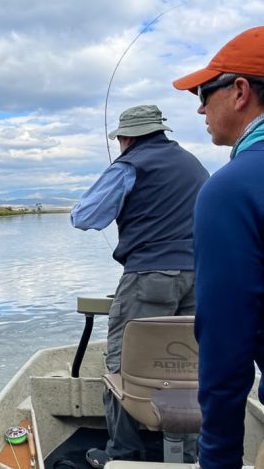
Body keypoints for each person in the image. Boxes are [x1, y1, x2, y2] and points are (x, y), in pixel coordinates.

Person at [71, 104, 209, 467]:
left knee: (122, 367)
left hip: (149, 277)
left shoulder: (131, 165)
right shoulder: (194, 164)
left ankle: (123, 454)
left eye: (119, 140)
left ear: (127, 138)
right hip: (199, 277)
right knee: (189, 368)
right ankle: (190, 456)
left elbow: (85, 217)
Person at [173, 26, 264, 469]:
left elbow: (226, 349)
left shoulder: (230, 189)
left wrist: (218, 459)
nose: (200, 108)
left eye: (206, 92)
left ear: (241, 91)